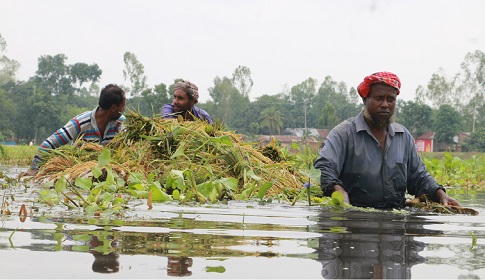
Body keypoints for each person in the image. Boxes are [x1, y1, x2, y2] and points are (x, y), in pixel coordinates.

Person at [314, 71, 460, 209]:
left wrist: (441, 194)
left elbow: (419, 177)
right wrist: (341, 193)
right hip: (354, 216)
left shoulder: (403, 136)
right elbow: (324, 168)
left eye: (390, 99)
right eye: (379, 98)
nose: (385, 104)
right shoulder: (343, 134)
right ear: (365, 99)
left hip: (395, 215)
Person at [27, 84, 126, 174]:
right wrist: (34, 169)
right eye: (123, 107)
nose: (123, 111)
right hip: (81, 170)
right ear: (114, 108)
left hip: (107, 170)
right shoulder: (80, 123)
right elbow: (48, 144)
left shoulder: (119, 123)